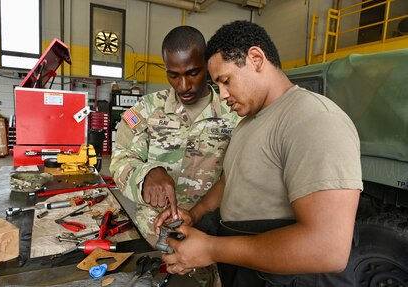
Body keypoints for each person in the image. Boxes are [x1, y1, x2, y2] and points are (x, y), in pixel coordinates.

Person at [154, 20, 363, 287]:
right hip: (249, 272)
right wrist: (194, 215)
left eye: (225, 81)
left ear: (256, 58)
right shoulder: (248, 122)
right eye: (217, 85)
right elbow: (229, 181)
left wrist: (211, 249)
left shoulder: (314, 119)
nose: (223, 95)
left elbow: (326, 248)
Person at [110, 25, 239, 247]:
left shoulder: (233, 113)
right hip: (154, 235)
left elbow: (238, 176)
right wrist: (146, 174)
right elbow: (120, 160)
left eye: (193, 73)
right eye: (174, 75)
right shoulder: (146, 109)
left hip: (210, 236)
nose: (184, 86)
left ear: (207, 65)